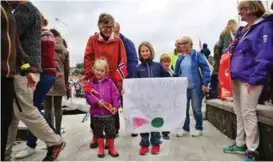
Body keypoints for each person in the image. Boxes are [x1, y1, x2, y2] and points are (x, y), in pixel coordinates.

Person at [5, 1, 65, 161]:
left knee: (26, 110)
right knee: (20, 111)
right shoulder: (31, 10)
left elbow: (10, 37)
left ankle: (54, 141)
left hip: (24, 69)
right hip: (30, 69)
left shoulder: (24, 10)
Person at [223, 1, 273, 161]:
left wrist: (256, 77)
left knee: (248, 112)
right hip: (237, 77)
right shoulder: (244, 30)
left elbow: (265, 55)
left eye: (242, 9)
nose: (240, 13)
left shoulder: (264, 27)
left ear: (252, 9)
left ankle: (252, 149)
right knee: (239, 112)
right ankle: (240, 143)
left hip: (250, 79)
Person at [14, 13, 57, 159]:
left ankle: (39, 142)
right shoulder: (44, 35)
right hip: (45, 73)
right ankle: (47, 138)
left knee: (32, 108)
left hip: (44, 74)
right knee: (34, 107)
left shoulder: (45, 35)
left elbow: (43, 58)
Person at [82, 13, 127, 149]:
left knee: (112, 107)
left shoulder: (118, 41)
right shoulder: (92, 40)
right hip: (96, 79)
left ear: (113, 27)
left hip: (112, 80)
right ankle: (96, 135)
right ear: (99, 26)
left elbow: (122, 61)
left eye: (110, 27)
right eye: (104, 27)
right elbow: (88, 58)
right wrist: (91, 75)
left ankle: (111, 136)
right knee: (95, 106)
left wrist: (119, 80)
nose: (107, 30)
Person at [1, 1, 36, 160]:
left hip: (7, 74)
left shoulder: (10, 12)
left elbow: (16, 45)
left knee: (7, 118)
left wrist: (27, 69)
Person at [132, 41, 169, 155]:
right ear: (140, 53)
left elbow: (167, 81)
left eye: (147, 50)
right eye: (142, 51)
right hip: (143, 101)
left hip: (156, 101)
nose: (145, 53)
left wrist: (176, 80)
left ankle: (156, 144)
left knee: (156, 122)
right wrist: (126, 91)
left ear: (151, 51)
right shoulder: (138, 68)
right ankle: (144, 144)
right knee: (143, 122)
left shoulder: (158, 66)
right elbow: (133, 85)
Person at [174, 36, 211, 137]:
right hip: (183, 88)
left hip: (195, 86)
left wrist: (205, 83)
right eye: (181, 43)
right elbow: (176, 73)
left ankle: (199, 128)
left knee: (196, 109)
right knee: (184, 109)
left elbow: (206, 69)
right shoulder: (180, 58)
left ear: (191, 44)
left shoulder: (197, 55)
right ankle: (185, 129)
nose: (184, 45)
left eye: (186, 43)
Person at [85, 58, 120, 158]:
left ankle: (111, 147)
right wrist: (96, 102)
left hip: (109, 113)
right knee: (98, 132)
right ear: (93, 69)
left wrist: (116, 106)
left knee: (111, 131)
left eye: (102, 70)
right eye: (97, 70)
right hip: (96, 114)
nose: (99, 72)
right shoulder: (90, 84)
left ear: (105, 71)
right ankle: (100, 148)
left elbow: (115, 95)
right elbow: (88, 97)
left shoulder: (110, 82)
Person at [113, 22, 138, 137]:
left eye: (111, 29)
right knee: (113, 103)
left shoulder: (127, 42)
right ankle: (115, 128)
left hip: (125, 79)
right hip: (112, 79)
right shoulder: (109, 43)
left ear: (117, 29)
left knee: (128, 103)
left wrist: (128, 80)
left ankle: (133, 127)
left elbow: (133, 61)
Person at [44, 29, 70, 135]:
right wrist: (66, 84)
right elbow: (67, 70)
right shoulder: (64, 49)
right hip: (59, 79)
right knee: (58, 107)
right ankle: (58, 133)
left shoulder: (45, 44)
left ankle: (50, 134)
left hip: (46, 77)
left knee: (47, 109)